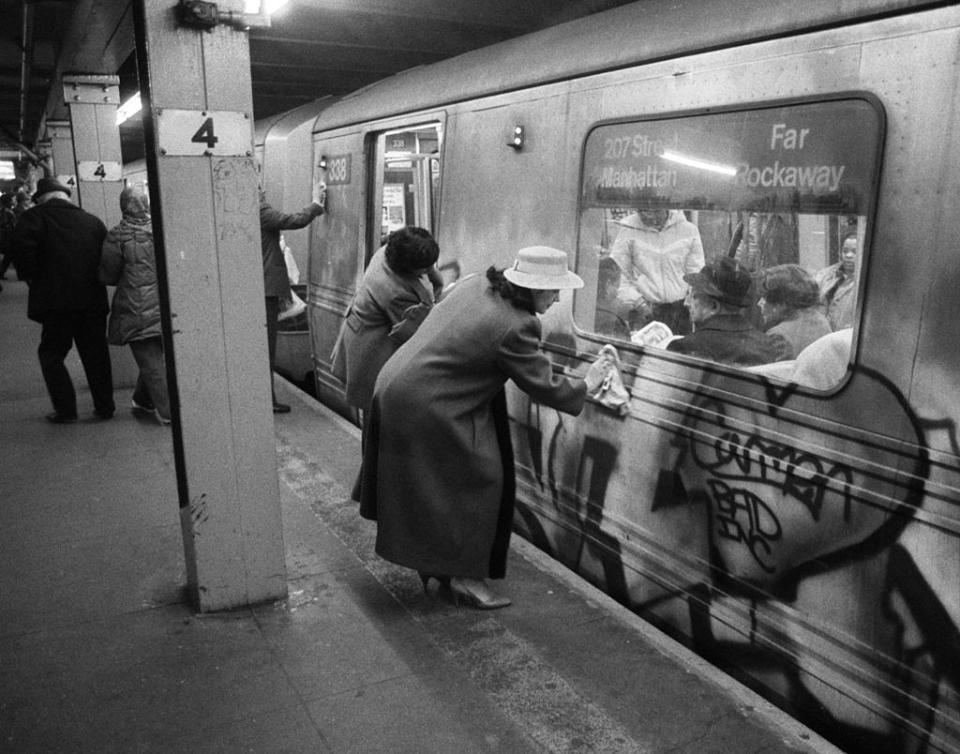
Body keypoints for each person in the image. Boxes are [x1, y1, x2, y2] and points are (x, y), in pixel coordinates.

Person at [359, 246, 610, 609]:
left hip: (399, 384)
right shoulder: (518, 325)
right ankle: (464, 578)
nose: (557, 299)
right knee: (479, 482)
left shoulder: (479, 284)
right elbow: (544, 386)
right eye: (552, 290)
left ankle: (440, 567)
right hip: (428, 404)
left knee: (436, 485)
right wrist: (589, 381)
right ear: (530, 288)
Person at [333, 226, 441, 499]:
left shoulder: (387, 252)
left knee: (376, 426)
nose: (427, 272)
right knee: (378, 428)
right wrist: (439, 292)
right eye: (423, 268)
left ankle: (376, 487)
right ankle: (373, 493)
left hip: (361, 339)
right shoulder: (394, 292)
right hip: (373, 356)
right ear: (408, 268)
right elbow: (418, 333)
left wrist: (430, 271)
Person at [13, 176, 114, 423]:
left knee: (51, 354)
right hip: (92, 302)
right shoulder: (92, 222)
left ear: (42, 199)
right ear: (66, 196)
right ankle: (105, 407)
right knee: (96, 354)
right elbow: (107, 259)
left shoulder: (32, 219)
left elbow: (23, 258)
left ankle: (66, 410)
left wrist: (36, 280)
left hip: (56, 304)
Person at [98, 187, 171, 425]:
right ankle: (143, 400)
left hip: (135, 305)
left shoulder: (117, 236)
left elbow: (108, 276)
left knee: (150, 360)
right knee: (154, 356)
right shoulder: (161, 230)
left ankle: (168, 412)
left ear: (123, 207)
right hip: (165, 302)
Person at [260, 187, 326, 413]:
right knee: (266, 347)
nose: (264, 190)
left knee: (264, 347)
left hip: (263, 287)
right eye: (258, 186)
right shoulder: (260, 210)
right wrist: (316, 205)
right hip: (267, 289)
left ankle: (266, 397)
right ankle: (267, 400)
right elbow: (295, 220)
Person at [666, 256, 792, 366]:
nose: (686, 303)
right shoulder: (770, 347)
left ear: (714, 306)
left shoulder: (685, 348)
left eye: (693, 296)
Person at [608, 208, 704, 334]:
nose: (646, 215)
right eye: (641, 210)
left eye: (653, 210)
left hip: (681, 311)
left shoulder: (688, 230)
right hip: (643, 312)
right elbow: (621, 277)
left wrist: (692, 303)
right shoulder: (628, 229)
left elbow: (696, 273)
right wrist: (640, 304)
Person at [757, 264, 832, 356]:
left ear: (782, 302)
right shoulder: (821, 320)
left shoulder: (778, 335)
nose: (759, 303)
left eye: (764, 297)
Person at [816, 231, 858, 331]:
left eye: (854, 252)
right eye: (845, 251)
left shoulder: (866, 280)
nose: (848, 255)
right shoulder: (825, 275)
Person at [593, 256, 631, 340]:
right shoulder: (609, 312)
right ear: (608, 284)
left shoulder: (591, 301)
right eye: (617, 286)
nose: (617, 292)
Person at [0, 194, 16, 281]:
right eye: (13, 199)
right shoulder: (7, 212)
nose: (15, 201)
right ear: (9, 201)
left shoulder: (6, 210)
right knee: (9, 255)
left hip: (6, 237)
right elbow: (4, 224)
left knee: (9, 256)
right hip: (6, 237)